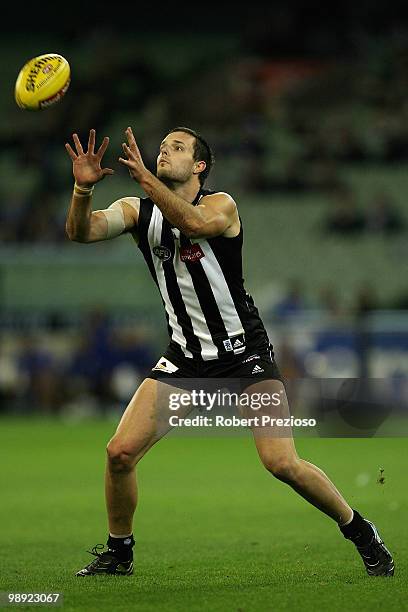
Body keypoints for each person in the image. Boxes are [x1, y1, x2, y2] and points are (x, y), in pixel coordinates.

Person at [65, 127, 394, 577]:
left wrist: (147, 181)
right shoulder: (138, 212)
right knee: (119, 453)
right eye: (161, 147)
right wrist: (83, 188)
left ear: (199, 166)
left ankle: (358, 529)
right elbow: (81, 232)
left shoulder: (222, 205)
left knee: (281, 463)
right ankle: (119, 552)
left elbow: (197, 225)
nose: (164, 152)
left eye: (176, 148)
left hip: (244, 357)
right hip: (185, 360)